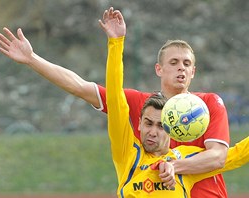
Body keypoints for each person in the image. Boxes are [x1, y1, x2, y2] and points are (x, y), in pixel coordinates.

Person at [0, 7, 229, 198]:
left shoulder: (208, 104)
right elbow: (79, 86)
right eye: (175, 61)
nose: (181, 67)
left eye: (187, 64)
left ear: (194, 72)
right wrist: (32, 59)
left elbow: (218, 157)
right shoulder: (140, 103)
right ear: (158, 69)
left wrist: (172, 166)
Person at [102, 8, 249, 197]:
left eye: (161, 125)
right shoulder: (128, 156)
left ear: (171, 129)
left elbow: (237, 154)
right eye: (148, 123)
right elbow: (115, 98)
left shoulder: (182, 160)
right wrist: (116, 43)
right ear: (138, 125)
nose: (153, 132)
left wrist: (174, 166)